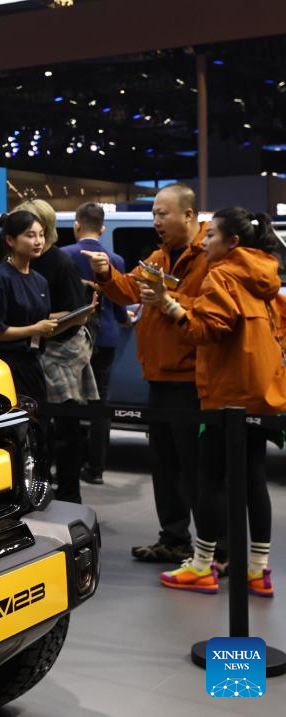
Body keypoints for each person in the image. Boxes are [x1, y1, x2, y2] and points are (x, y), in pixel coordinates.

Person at [145, 208, 285, 596]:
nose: (204, 242)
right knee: (254, 478)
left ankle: (202, 566)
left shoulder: (222, 274)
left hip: (225, 395)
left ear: (232, 242)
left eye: (211, 236)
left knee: (208, 479)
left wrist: (168, 305)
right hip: (261, 393)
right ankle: (258, 570)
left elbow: (207, 328)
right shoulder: (264, 274)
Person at [82, 184, 210, 563]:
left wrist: (170, 300)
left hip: (192, 380)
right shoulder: (159, 257)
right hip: (159, 377)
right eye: (154, 213)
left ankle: (212, 550)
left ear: (188, 215)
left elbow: (214, 310)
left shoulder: (208, 257)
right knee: (164, 466)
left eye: (162, 213)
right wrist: (106, 274)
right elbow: (127, 291)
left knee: (197, 468)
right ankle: (174, 539)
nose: (156, 221)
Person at [17, 199, 97, 504]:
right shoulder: (16, 263)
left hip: (62, 353)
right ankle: (39, 487)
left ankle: (69, 493)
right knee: (37, 428)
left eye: (36, 231)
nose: (34, 239)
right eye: (26, 232)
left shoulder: (60, 263)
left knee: (66, 428)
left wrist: (40, 323)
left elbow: (79, 313)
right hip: (30, 352)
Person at [61, 202, 128, 486]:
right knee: (101, 402)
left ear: (77, 225)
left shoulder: (63, 255)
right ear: (103, 228)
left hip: (72, 337)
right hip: (106, 337)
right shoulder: (116, 259)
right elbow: (120, 300)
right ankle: (96, 468)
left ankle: (69, 465)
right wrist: (124, 318)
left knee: (69, 400)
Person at [0, 211, 58, 404]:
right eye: (30, 235)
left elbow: (42, 325)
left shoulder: (40, 280)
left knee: (40, 417)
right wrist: (34, 329)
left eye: (41, 235)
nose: (38, 241)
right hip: (6, 365)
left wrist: (75, 318)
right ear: (10, 240)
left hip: (33, 362)